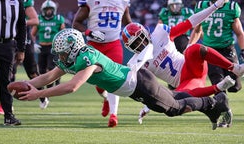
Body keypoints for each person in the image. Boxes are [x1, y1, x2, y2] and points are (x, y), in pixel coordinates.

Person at [19, 28, 230, 130]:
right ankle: (211, 107)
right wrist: (30, 85)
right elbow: (49, 76)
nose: (61, 56)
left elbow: (73, 86)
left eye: (64, 51)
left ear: (73, 48)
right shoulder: (75, 58)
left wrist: (39, 94)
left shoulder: (88, 57)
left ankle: (214, 102)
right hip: (134, 84)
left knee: (174, 108)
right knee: (174, 99)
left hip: (138, 84)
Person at [121, 0, 243, 126]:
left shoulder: (160, 33)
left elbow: (191, 22)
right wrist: (148, 105)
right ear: (130, 48)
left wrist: (215, 6)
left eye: (139, 39)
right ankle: (219, 91)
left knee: (191, 49)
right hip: (185, 83)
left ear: (145, 32)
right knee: (176, 99)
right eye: (135, 44)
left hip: (192, 66)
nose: (139, 44)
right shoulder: (137, 62)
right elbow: (151, 87)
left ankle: (234, 67)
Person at [72, 0, 132, 127]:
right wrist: (90, 33)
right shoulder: (90, 2)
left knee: (114, 80)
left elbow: (128, 24)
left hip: (114, 45)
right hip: (94, 46)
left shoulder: (122, 2)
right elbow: (76, 23)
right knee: (98, 83)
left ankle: (113, 114)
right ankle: (106, 98)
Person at [188, 0, 244, 127]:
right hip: (210, 51)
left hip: (227, 49)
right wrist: (189, 47)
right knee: (218, 84)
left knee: (235, 86)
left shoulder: (231, 7)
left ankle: (226, 100)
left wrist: (243, 50)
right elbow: (197, 30)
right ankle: (226, 113)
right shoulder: (201, 6)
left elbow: (239, 33)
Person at [0, 0, 42, 114]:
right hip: (4, 41)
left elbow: (35, 20)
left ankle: (42, 96)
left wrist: (16, 21)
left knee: (32, 73)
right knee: (10, 74)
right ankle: (5, 106)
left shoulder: (22, 2)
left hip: (21, 39)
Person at [0, 0, 26, 125]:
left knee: (7, 83)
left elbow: (22, 25)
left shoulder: (16, 2)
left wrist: (21, 49)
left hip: (8, 45)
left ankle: (9, 116)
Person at [31, 0, 65, 109]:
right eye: (47, 10)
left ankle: (48, 93)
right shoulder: (39, 19)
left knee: (50, 69)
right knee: (41, 72)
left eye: (50, 9)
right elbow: (32, 34)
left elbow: (63, 33)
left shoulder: (59, 19)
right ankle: (49, 90)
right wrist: (33, 44)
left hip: (53, 47)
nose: (49, 12)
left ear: (54, 10)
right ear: (43, 10)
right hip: (42, 47)